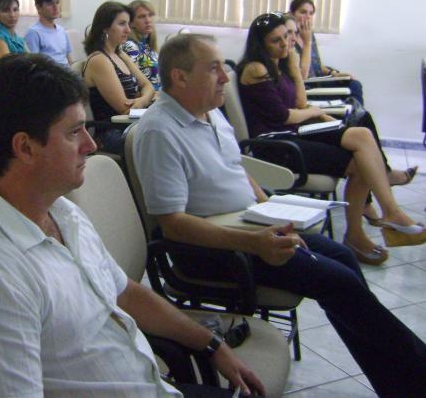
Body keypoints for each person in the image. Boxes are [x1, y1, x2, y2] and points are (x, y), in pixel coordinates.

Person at [0, 53, 265, 398]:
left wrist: (211, 344)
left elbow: (122, 290)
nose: (90, 146)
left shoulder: (62, 211)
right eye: (75, 132)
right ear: (25, 147)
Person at [133, 32, 426, 398]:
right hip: (215, 253)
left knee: (343, 259)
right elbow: (173, 226)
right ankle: (415, 378)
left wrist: (270, 206)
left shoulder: (208, 113)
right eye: (214, 69)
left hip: (248, 228)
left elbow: (235, 168)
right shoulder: (160, 132)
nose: (226, 77)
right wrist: (255, 241)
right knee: (340, 284)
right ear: (180, 77)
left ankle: (400, 381)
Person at [237, 12, 425, 256]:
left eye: (286, 37)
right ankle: (359, 234)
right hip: (275, 145)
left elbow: (300, 103)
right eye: (276, 40)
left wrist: (294, 71)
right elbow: (285, 116)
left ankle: (388, 212)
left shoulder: (278, 63)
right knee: (360, 163)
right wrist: (313, 111)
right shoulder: (256, 68)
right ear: (260, 43)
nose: (285, 44)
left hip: (293, 134)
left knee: (362, 136)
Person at [82, 1, 155, 153]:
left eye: (128, 24)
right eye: (122, 24)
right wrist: (145, 98)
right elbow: (124, 108)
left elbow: (148, 86)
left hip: (131, 126)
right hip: (111, 133)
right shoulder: (99, 60)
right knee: (163, 143)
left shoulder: (120, 54)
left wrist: (141, 100)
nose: (128, 30)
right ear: (105, 28)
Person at [289, 0, 364, 105]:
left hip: (320, 81)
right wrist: (307, 43)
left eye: (311, 13)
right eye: (303, 12)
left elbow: (317, 65)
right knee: (347, 98)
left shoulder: (309, 35)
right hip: (307, 87)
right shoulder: (290, 39)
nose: (308, 17)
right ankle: (354, 115)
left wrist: (333, 73)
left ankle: (356, 114)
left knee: (354, 84)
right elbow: (302, 74)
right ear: (292, 14)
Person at [24, 0, 72, 66]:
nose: (56, 7)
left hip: (66, 74)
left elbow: (69, 59)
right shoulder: (33, 32)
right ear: (38, 7)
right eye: (50, 4)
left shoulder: (62, 30)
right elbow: (33, 65)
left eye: (57, 2)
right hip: (49, 75)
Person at [123, 0, 161, 90]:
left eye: (150, 15)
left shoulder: (148, 43)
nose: (148, 20)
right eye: (141, 17)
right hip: (147, 98)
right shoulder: (130, 46)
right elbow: (133, 84)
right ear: (131, 23)